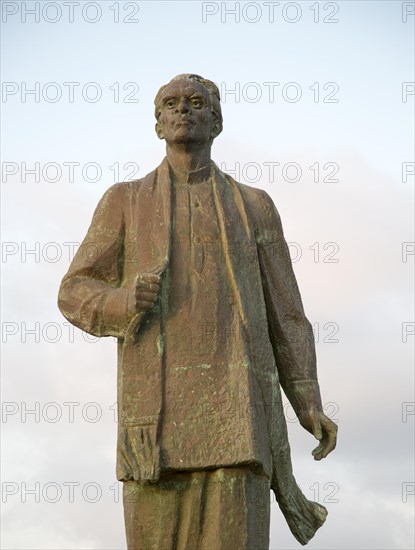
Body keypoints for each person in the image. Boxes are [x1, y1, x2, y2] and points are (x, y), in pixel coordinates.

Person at [58, 73, 337, 550]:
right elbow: (73, 290)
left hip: (239, 423)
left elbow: (287, 315)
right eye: (171, 103)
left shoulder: (254, 207)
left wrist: (308, 401)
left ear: (217, 120)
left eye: (195, 102)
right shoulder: (124, 201)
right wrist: (124, 301)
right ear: (158, 123)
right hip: (156, 431)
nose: (183, 110)